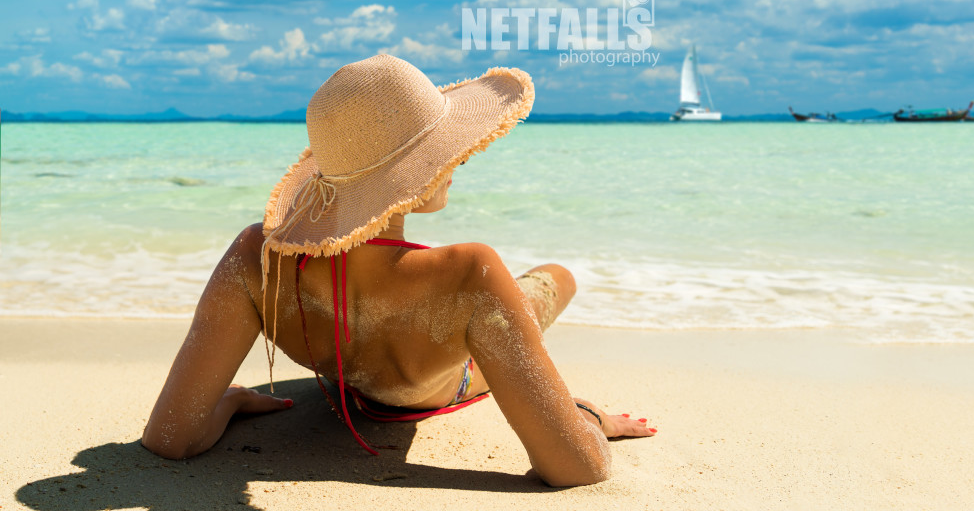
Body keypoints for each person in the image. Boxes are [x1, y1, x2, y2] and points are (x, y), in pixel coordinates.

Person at [142, 54, 655, 486]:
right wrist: (586, 417)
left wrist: (229, 400)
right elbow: (575, 469)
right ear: (413, 171)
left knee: (534, 289)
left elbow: (170, 438)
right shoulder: (470, 273)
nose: (458, 162)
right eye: (442, 150)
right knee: (557, 277)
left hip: (348, 378)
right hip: (442, 378)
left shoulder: (257, 257)